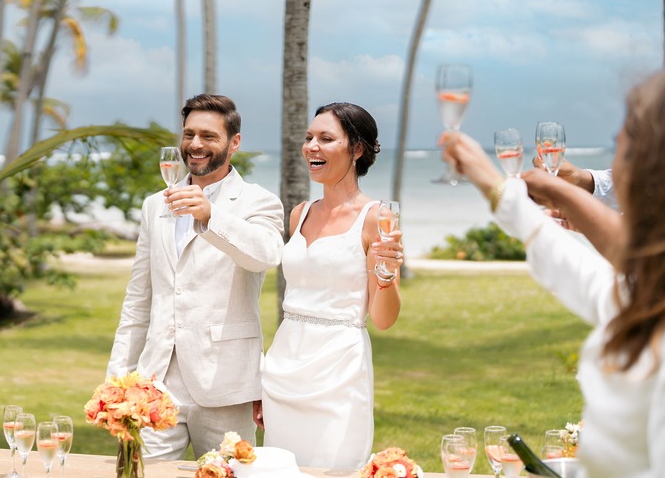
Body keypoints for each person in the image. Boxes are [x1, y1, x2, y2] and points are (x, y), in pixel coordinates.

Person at [440, 70, 665, 478]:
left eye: (622, 145)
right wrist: (496, 185)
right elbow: (589, 277)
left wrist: (514, 191)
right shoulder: (647, 297)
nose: (613, 160)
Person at [106, 94, 284, 459]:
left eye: (208, 136)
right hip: (154, 384)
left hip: (225, 386)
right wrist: (117, 378)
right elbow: (139, 298)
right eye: (189, 134)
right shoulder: (155, 204)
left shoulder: (259, 202)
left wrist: (210, 215)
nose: (195, 145)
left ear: (234, 142)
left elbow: (265, 255)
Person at [259, 103, 403, 470]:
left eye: (326, 138)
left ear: (356, 149)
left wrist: (386, 273)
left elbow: (383, 320)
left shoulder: (377, 218)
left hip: (339, 372)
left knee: (336, 468)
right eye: (309, 138)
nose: (311, 146)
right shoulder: (299, 213)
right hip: (284, 366)